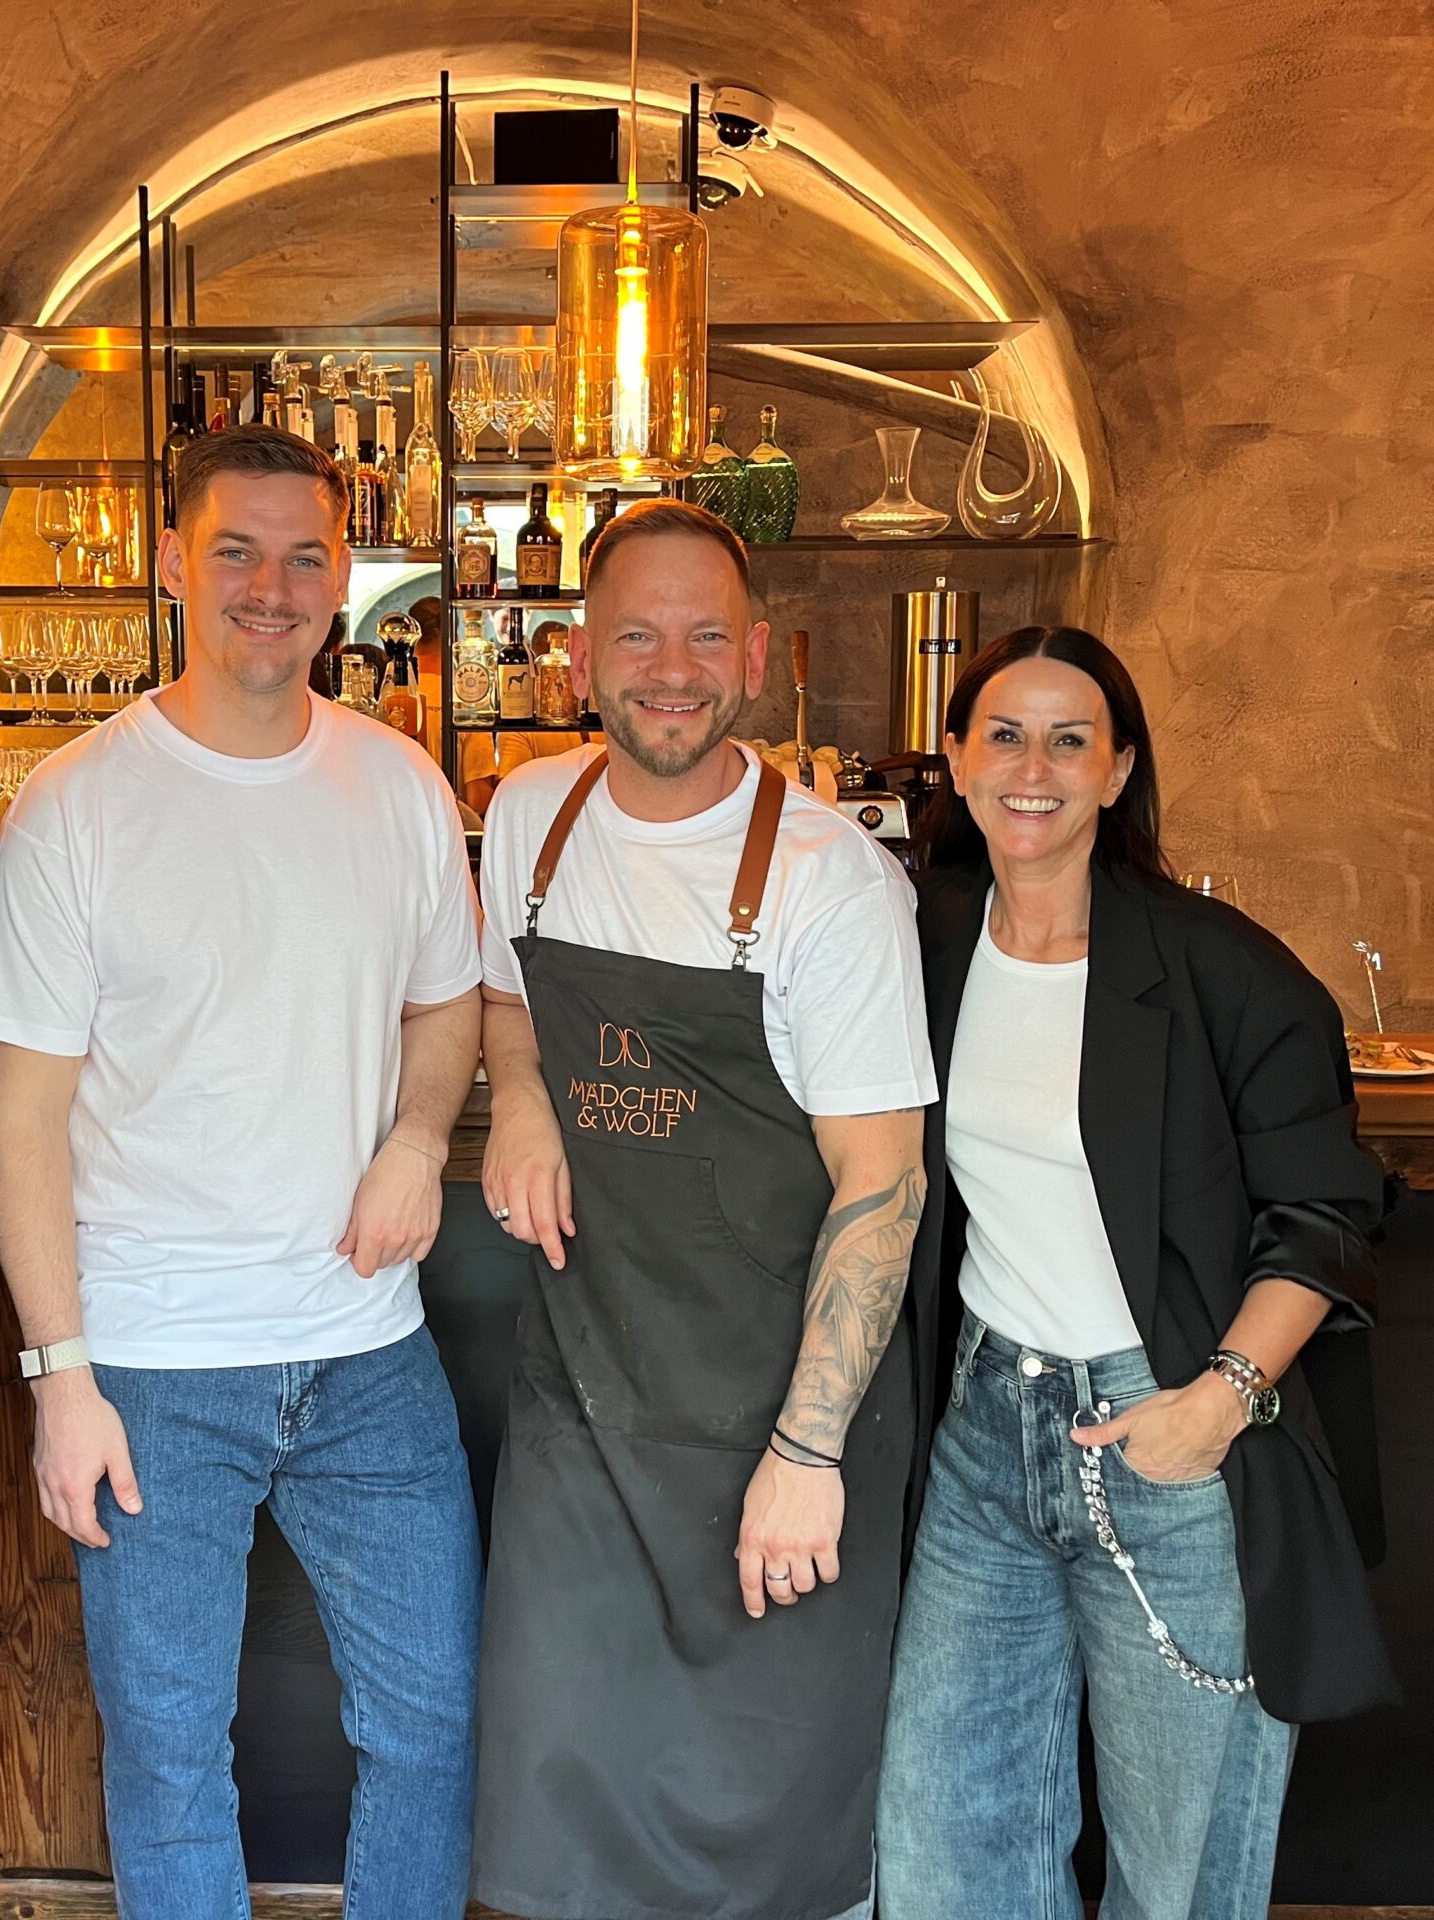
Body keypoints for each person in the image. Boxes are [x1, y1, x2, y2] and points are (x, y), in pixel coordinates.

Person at [0, 424, 484, 1918]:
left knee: (430, 1726)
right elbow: (23, 1115)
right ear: (172, 560)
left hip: (367, 1350)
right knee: (172, 1749)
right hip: (152, 1366)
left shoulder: (394, 783)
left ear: (344, 577)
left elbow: (446, 1002)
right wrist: (60, 1377)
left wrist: (408, 1140)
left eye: (306, 556)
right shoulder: (77, 802)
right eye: (236, 551)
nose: (273, 586)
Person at [875, 626, 1392, 1919]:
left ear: (1117, 772)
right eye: (1002, 733)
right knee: (946, 1848)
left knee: (1183, 1870)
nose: (1031, 768)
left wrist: (1216, 1403)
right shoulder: (921, 936)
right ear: (954, 756)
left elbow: (1326, 1213)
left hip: (1170, 1434)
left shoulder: (1225, 971)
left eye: (1070, 739)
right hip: (984, 1432)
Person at [471, 498, 935, 1920]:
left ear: (758, 658)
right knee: (556, 1808)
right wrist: (529, 1095)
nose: (669, 668)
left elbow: (884, 1181)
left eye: (704, 637)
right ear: (576, 660)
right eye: (634, 635)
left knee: (774, 1836)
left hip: (778, 1420)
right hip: (586, 1416)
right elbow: (504, 999)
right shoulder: (528, 821)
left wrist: (808, 1450)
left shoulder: (829, 882)